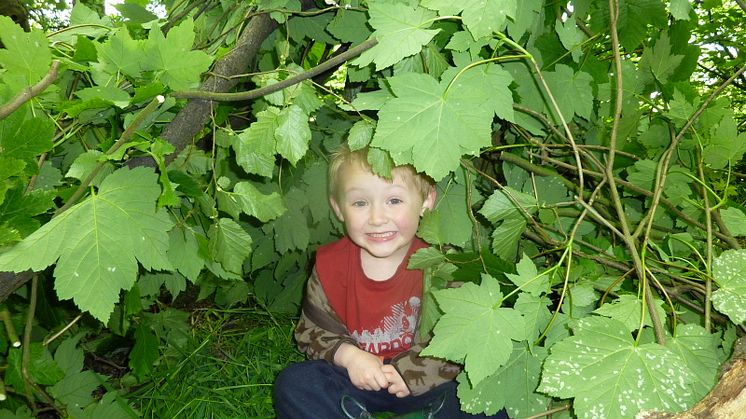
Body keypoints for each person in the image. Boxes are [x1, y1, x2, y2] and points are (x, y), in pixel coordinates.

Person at [274, 145, 509, 418]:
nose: (377, 218)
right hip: (357, 379)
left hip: (429, 380)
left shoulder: (444, 265)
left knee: (486, 393)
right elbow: (312, 332)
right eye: (360, 203)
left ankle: (436, 412)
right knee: (298, 384)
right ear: (338, 208)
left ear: (426, 201)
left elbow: (464, 337)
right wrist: (349, 356)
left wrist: (412, 371)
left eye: (394, 201)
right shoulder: (330, 266)